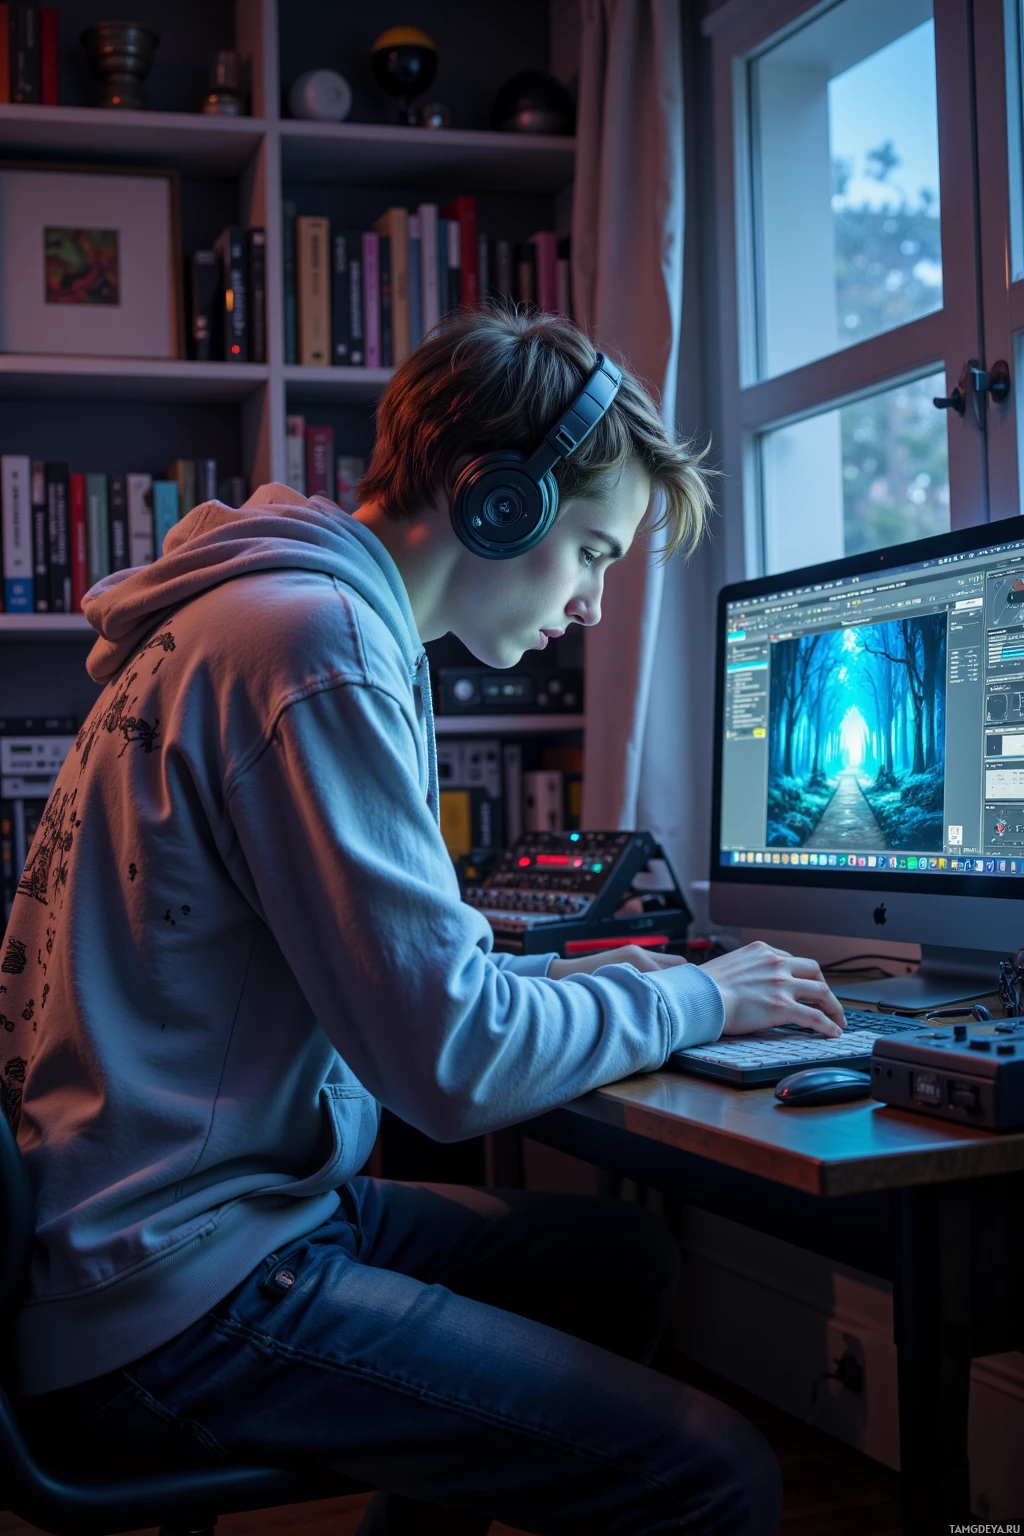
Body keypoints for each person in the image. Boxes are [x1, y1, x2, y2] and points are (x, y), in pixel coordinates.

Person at [3, 307, 845, 1534]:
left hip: (160, 1215)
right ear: (495, 501)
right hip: (171, 1290)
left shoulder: (257, 615)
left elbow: (371, 960)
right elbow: (450, 1067)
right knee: (713, 1475)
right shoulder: (319, 643)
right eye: (595, 552)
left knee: (618, 1264)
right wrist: (699, 995)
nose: (598, 606)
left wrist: (554, 973)